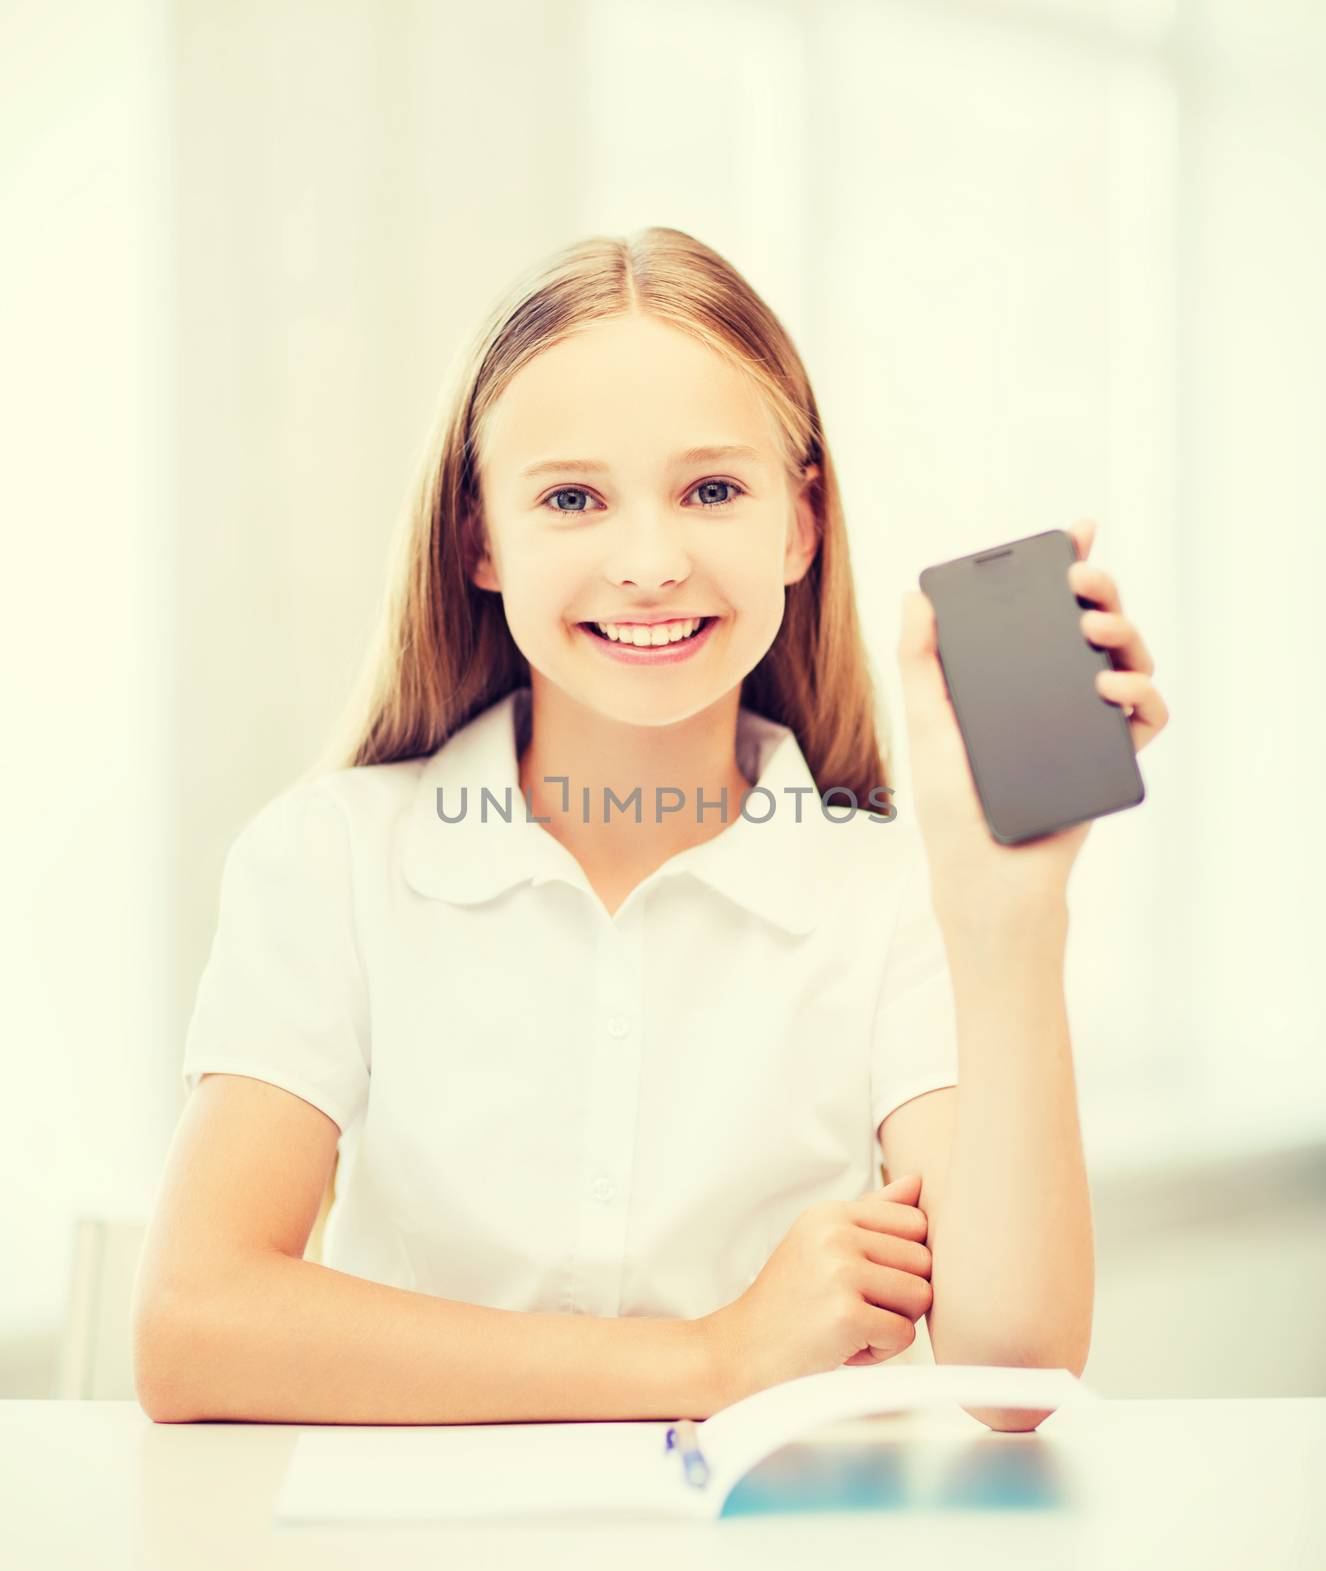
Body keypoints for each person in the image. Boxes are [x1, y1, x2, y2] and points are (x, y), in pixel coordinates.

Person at [133, 226, 1169, 1430]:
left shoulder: (893, 890)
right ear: (479, 538)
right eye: (572, 497)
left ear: (799, 524)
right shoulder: (330, 860)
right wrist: (714, 1357)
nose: (649, 562)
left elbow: (1015, 1369)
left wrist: (1010, 913)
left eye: (713, 490)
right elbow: (193, 1324)